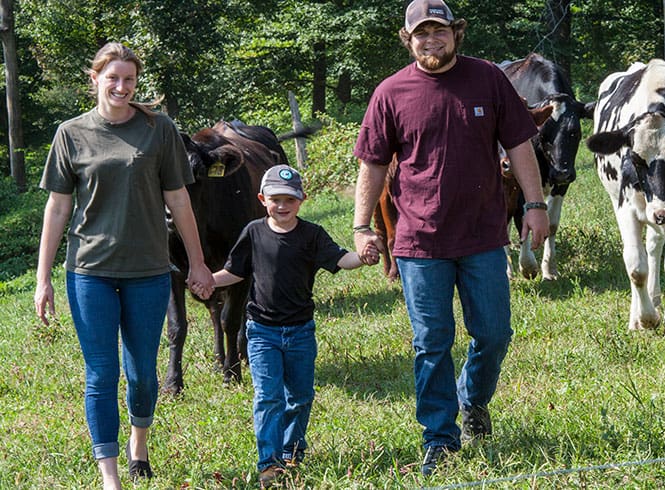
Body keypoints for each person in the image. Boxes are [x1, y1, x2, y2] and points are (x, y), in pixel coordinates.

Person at [352, 0, 550, 476]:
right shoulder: (390, 92)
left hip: (483, 235)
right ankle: (440, 437)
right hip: (419, 242)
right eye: (421, 34)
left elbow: (520, 145)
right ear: (408, 40)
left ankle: (473, 400)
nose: (431, 40)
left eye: (439, 31)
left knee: (494, 333)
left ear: (456, 34)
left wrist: (536, 204)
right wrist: (362, 226)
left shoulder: (487, 79)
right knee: (431, 341)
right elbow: (373, 164)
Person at [33, 42, 214, 489]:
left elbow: (178, 198)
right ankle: (110, 476)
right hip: (88, 271)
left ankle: (140, 441)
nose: (121, 86)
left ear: (137, 82)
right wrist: (43, 279)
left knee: (143, 375)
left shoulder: (159, 129)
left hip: (149, 270)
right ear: (94, 79)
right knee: (101, 373)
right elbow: (57, 208)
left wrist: (198, 262)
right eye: (112, 78)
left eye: (129, 79)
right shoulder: (70, 133)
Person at [191, 164, 377, 488]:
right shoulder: (253, 232)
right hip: (261, 331)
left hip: (301, 331)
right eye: (275, 199)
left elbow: (341, 259)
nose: (282, 205)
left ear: (301, 199)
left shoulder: (312, 235)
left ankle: (293, 452)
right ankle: (270, 462)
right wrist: (209, 281)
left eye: (289, 199)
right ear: (263, 199)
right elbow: (234, 271)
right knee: (268, 397)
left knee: (301, 396)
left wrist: (363, 257)